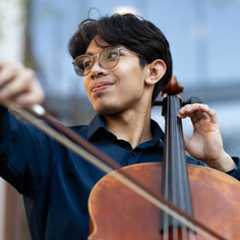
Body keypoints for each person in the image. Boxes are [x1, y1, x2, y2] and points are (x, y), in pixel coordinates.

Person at [0, 13, 239, 240]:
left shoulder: (195, 177)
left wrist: (219, 161)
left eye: (111, 56)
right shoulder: (51, 149)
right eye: (86, 64)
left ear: (153, 71)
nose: (94, 71)